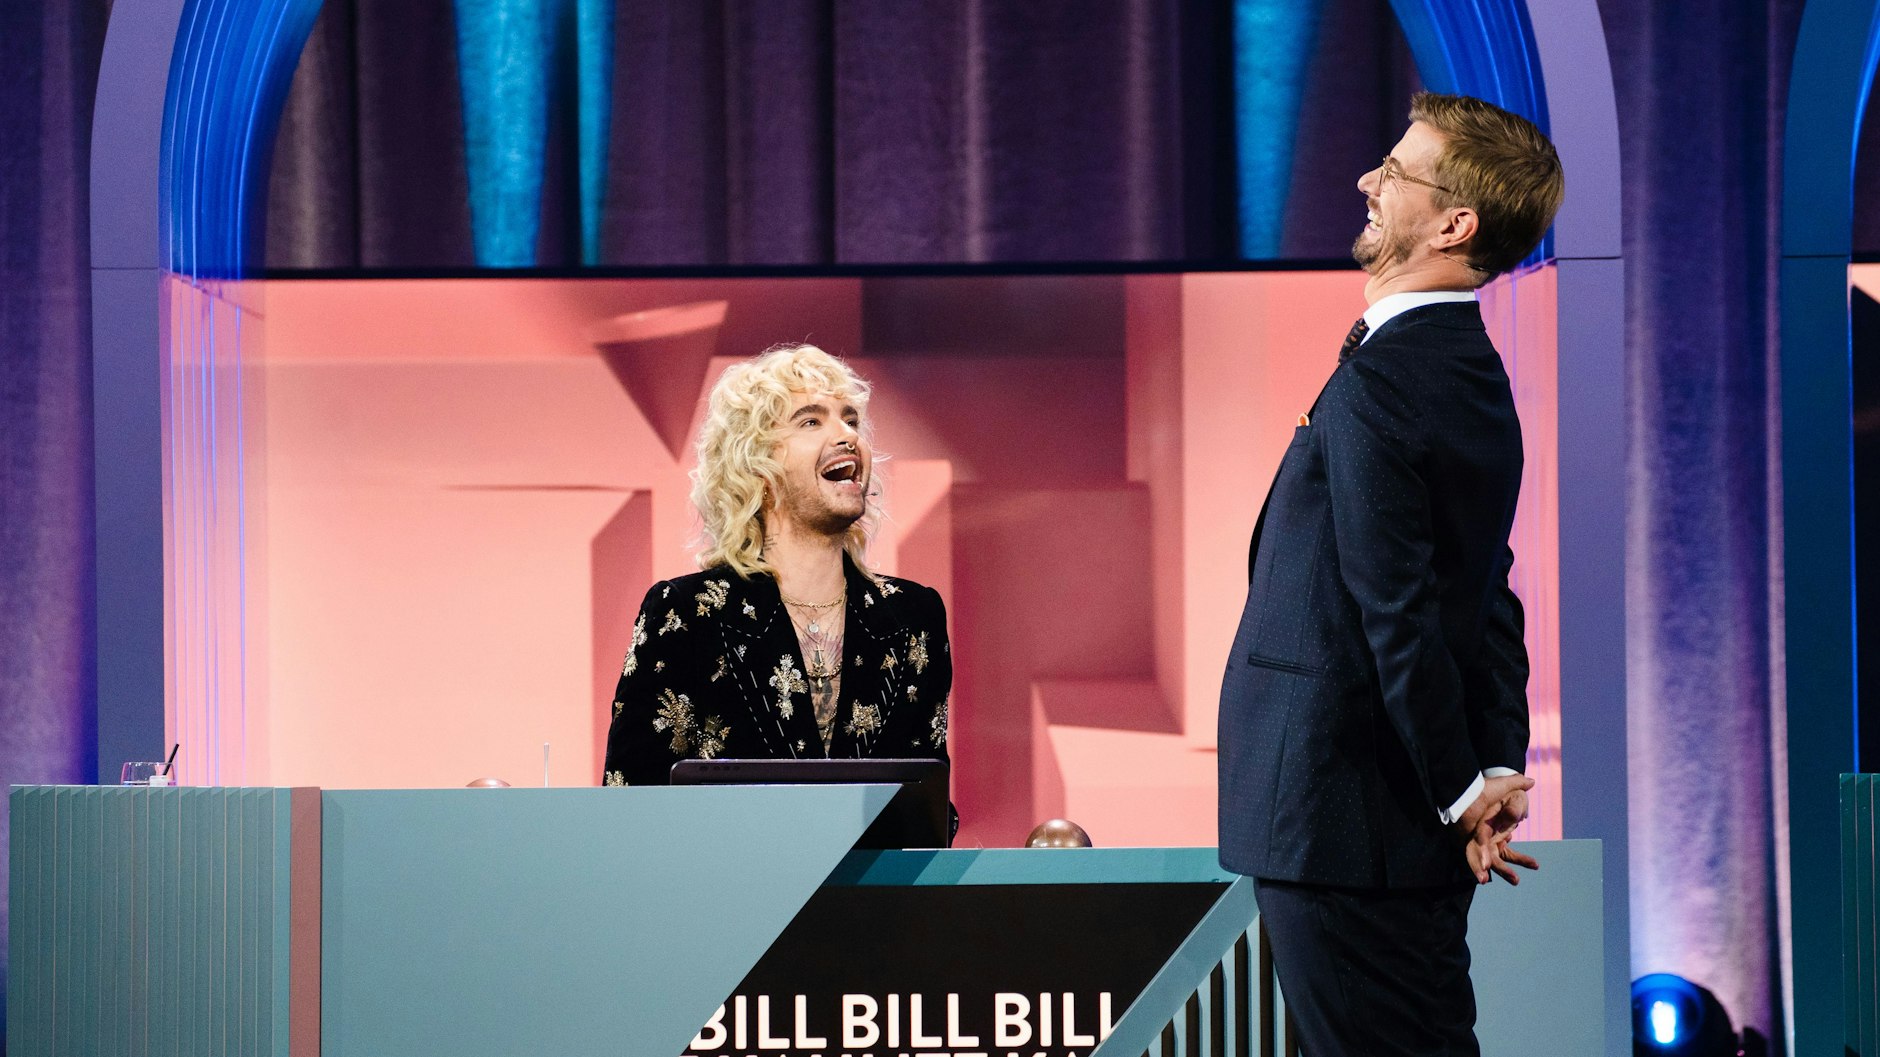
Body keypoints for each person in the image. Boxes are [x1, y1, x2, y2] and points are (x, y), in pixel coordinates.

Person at [1217, 92, 1565, 1056]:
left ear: (1455, 225)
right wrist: (1488, 767)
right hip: (1375, 824)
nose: (1368, 178)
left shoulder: (1392, 377)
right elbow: (1485, 592)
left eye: (1398, 171)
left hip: (1343, 822)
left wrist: (1461, 788)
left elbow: (1399, 607)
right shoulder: (1462, 368)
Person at [602, 344, 951, 787]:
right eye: (811, 421)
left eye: (850, 419)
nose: (847, 436)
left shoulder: (913, 616)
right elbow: (631, 797)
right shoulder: (689, 613)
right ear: (757, 468)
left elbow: (929, 802)